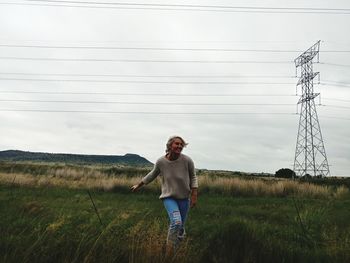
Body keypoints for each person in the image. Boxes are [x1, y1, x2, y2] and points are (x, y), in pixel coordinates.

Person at [130, 136, 198, 253]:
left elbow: (193, 177)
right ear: (170, 146)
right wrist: (139, 185)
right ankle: (169, 252)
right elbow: (152, 174)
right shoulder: (161, 161)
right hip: (169, 197)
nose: (179, 146)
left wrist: (194, 195)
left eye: (181, 145)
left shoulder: (187, 160)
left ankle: (176, 251)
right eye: (177, 144)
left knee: (180, 228)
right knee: (176, 222)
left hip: (184, 198)